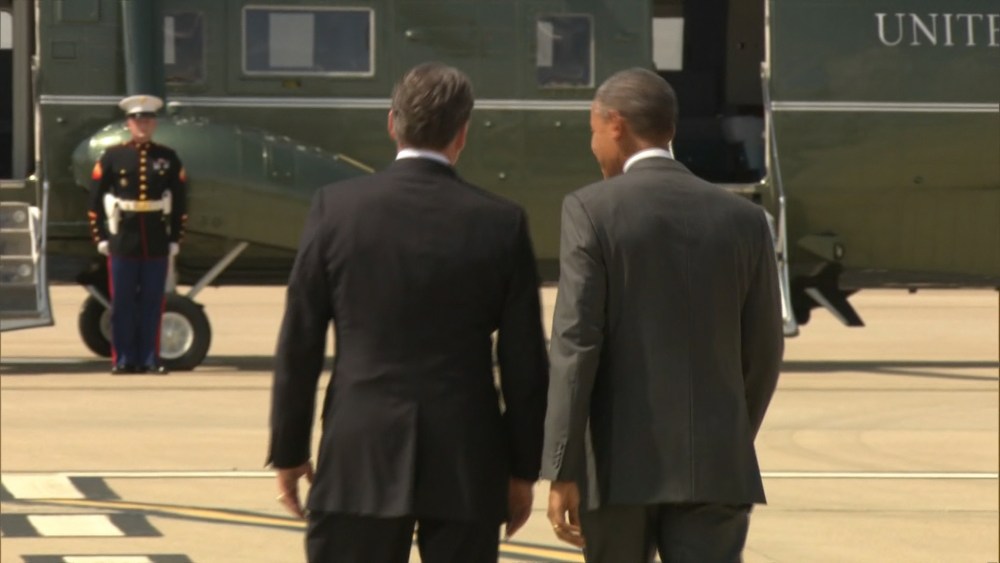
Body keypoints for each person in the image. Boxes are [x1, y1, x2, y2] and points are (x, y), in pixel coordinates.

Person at [267, 62, 549, 563]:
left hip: (359, 451)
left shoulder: (336, 209)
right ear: (462, 134)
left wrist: (289, 450)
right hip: (466, 456)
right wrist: (522, 469)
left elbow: (300, 341)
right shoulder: (501, 222)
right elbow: (525, 362)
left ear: (392, 123)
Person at [541, 68, 784, 562]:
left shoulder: (590, 210)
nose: (593, 146)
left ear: (615, 124)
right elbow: (763, 350)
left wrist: (562, 469)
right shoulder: (745, 220)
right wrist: (729, 435)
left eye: (593, 131)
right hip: (716, 465)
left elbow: (576, 346)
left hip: (616, 472)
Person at [88, 94, 187, 375]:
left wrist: (174, 238)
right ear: (128, 124)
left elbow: (180, 202)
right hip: (123, 239)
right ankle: (123, 359)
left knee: (153, 302)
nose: (142, 125)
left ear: (154, 124)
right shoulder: (113, 156)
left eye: (147, 120)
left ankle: (150, 358)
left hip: (155, 239)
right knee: (122, 302)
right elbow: (95, 201)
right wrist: (101, 237)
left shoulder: (167, 157)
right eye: (137, 120)